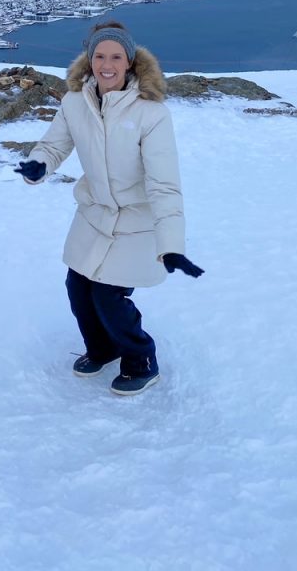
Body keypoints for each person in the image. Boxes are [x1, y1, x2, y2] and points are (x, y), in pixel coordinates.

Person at [15, 21, 202, 396]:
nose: (107, 64)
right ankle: (102, 348)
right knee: (78, 287)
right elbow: (54, 146)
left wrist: (172, 244)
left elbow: (164, 184)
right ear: (90, 60)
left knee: (108, 295)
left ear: (130, 62)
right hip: (94, 213)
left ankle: (140, 358)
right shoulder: (74, 103)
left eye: (116, 56)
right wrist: (39, 164)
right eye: (100, 55)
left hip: (137, 220)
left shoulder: (152, 114)